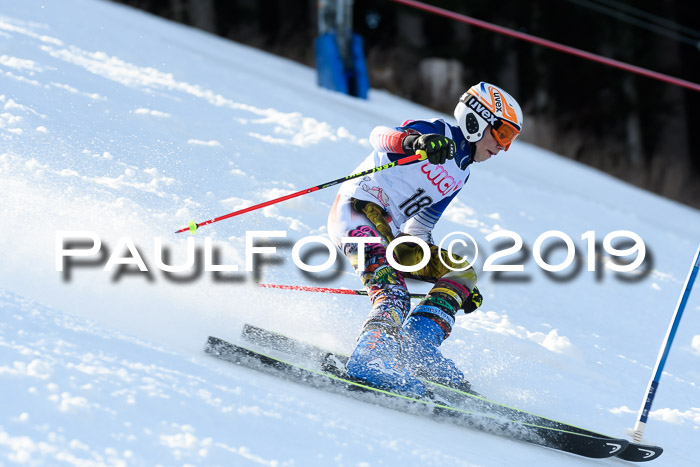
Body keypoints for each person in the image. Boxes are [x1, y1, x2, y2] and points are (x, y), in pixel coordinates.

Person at [327, 82, 524, 397]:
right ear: (477, 121)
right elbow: (378, 136)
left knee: (462, 272)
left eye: (510, 140)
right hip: (359, 213)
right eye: (502, 134)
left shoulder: (462, 172)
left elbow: (419, 229)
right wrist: (415, 141)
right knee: (394, 295)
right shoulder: (437, 133)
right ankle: (369, 358)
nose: (503, 146)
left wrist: (453, 291)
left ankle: (418, 349)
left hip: (392, 234)